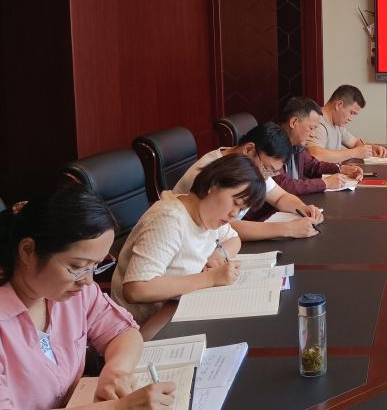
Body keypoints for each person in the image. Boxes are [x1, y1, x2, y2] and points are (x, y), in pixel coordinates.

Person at [0, 183, 175, 410]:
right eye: (77, 266)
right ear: (28, 251)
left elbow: (123, 332)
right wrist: (118, 407)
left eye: (95, 266)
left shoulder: (71, 292)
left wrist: (116, 371)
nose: (88, 281)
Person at [112, 154, 263, 323]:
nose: (235, 213)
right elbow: (136, 289)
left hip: (181, 307)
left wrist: (217, 254)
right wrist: (210, 278)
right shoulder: (170, 219)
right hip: (143, 324)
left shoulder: (210, 215)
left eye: (242, 209)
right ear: (213, 185)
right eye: (235, 202)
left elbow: (234, 240)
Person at [174, 123, 322, 240]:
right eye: (267, 168)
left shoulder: (249, 167)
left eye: (273, 172)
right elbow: (223, 226)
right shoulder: (212, 171)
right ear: (249, 149)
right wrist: (288, 229)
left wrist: (303, 209)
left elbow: (280, 197)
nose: (267, 176)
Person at [275, 97, 363, 195]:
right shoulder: (272, 144)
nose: (313, 134)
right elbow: (284, 185)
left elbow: (313, 166)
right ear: (293, 122)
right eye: (311, 128)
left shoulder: (297, 146)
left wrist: (341, 169)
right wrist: (325, 183)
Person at [306, 85, 387, 164]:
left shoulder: (337, 123)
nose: (351, 118)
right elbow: (315, 155)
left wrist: (372, 148)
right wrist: (354, 153)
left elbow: (355, 142)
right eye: (352, 113)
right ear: (339, 105)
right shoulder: (317, 123)